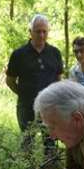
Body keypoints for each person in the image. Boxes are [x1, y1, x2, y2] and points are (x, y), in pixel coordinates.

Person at [6, 14, 63, 151]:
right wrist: (24, 94)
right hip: (26, 106)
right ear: (30, 32)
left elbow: (59, 79)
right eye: (38, 31)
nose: (41, 35)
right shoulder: (18, 54)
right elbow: (10, 81)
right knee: (27, 143)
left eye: (45, 31)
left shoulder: (55, 53)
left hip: (49, 107)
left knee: (50, 144)